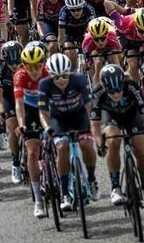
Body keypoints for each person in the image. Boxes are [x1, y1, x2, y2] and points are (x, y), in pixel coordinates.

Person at [38, 52, 100, 211]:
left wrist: (92, 125)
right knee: (62, 148)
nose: (61, 80)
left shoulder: (79, 79)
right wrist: (47, 128)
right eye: (56, 77)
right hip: (59, 120)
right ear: (50, 75)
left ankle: (92, 180)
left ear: (69, 73)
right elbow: (43, 112)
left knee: (86, 144)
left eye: (64, 76)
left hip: (79, 117)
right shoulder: (44, 84)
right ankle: (65, 192)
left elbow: (88, 104)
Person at [90, 64, 144, 209]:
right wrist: (100, 144)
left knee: (141, 148)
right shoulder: (98, 91)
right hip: (111, 117)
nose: (116, 94)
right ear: (104, 86)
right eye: (111, 91)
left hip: (132, 116)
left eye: (119, 89)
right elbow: (94, 124)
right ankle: (116, 188)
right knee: (112, 141)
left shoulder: (131, 86)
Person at [104, 2, 144, 114]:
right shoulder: (124, 23)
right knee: (132, 63)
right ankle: (136, 92)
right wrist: (124, 11)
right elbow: (106, 3)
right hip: (129, 38)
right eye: (141, 31)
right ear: (136, 25)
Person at [14, 41, 50, 217]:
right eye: (30, 67)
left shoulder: (49, 73)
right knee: (32, 151)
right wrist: (21, 124)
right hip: (29, 111)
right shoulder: (20, 76)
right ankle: (38, 199)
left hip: (47, 107)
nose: (34, 71)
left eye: (38, 66)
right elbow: (19, 104)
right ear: (24, 66)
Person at [0, 40, 23, 178]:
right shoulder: (0, 69)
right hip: (8, 98)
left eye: (18, 62)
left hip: (25, 96)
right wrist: (1, 111)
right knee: (11, 126)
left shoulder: (27, 64)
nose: (15, 66)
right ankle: (16, 161)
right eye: (11, 63)